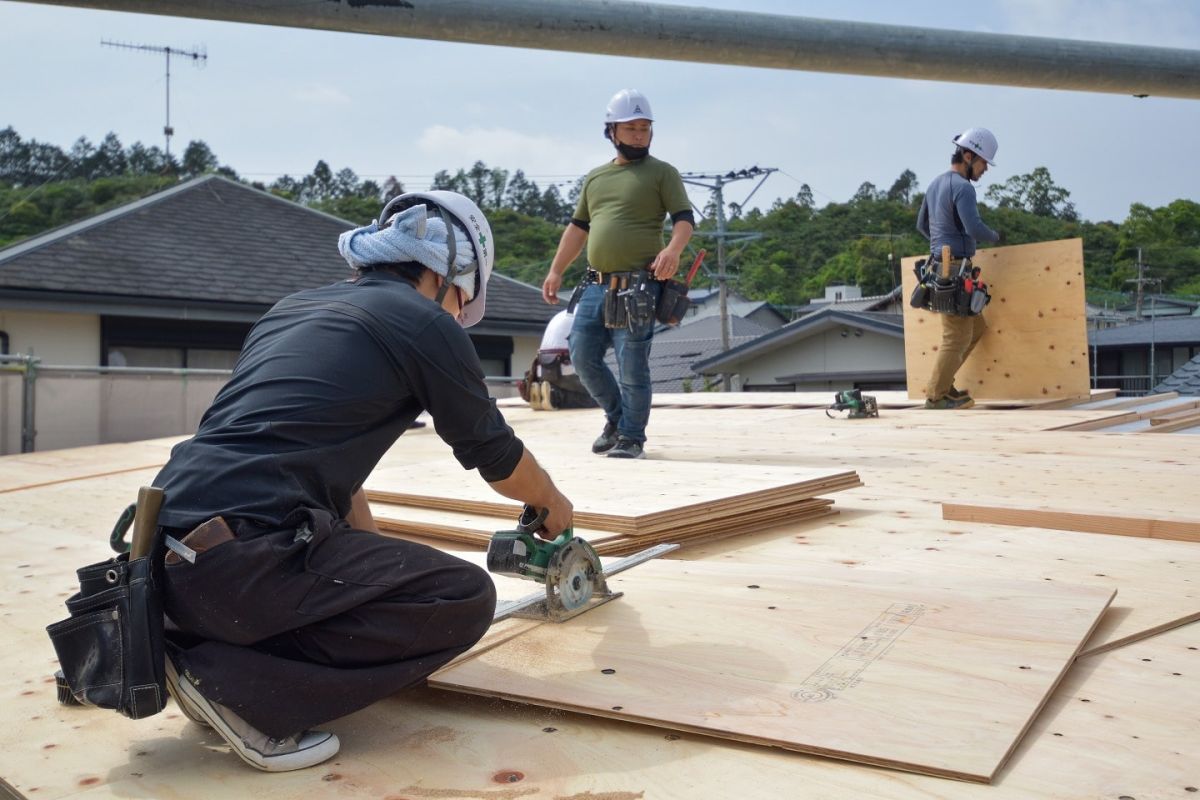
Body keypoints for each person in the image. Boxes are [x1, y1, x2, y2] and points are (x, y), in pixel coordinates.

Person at [151, 191, 573, 772]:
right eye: (462, 301)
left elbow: (329, 471)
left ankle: (181, 641)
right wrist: (550, 500)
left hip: (160, 558)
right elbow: (494, 454)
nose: (457, 315)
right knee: (460, 596)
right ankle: (238, 686)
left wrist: (371, 559)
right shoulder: (424, 323)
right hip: (243, 562)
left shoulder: (293, 309)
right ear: (451, 273)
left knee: (352, 556)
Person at [542, 88, 694, 459]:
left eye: (645, 127)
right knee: (581, 356)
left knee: (631, 363)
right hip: (595, 284)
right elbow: (578, 228)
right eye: (631, 128)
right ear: (612, 131)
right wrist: (556, 270)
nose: (640, 134)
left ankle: (631, 437)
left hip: (639, 286)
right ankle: (616, 419)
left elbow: (684, 220)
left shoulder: (663, 173)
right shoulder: (595, 179)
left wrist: (672, 250)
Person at [916, 127, 1003, 410]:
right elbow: (973, 227)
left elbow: (921, 225)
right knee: (956, 336)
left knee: (976, 327)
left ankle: (945, 385)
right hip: (953, 269)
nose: (985, 169)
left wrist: (940, 246)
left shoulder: (934, 184)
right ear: (967, 155)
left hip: (941, 268)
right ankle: (936, 396)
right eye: (982, 163)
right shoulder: (963, 187)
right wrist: (995, 236)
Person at [523, 309, 596, 410]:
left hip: (543, 369)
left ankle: (541, 394)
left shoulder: (561, 315)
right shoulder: (594, 313)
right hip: (568, 368)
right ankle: (555, 397)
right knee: (598, 398)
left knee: (564, 386)